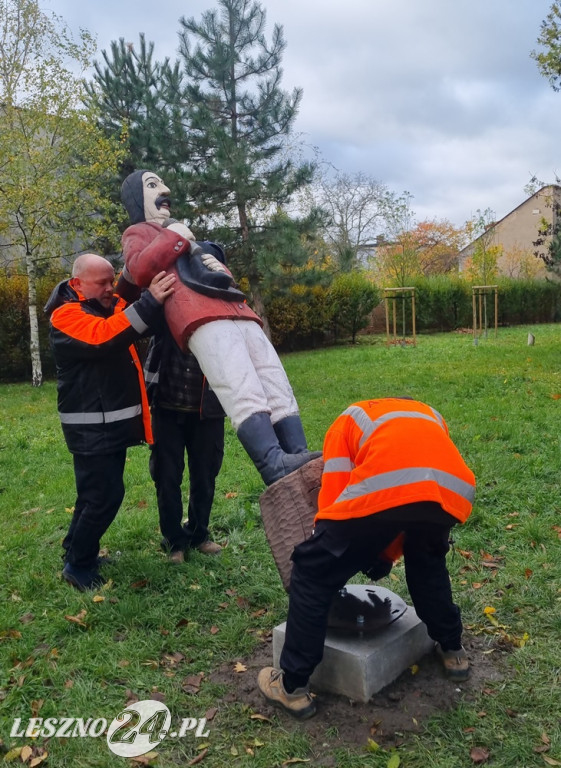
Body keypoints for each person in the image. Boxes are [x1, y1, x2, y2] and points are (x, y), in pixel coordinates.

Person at [257, 397, 476, 719]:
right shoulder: (428, 412)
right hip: (449, 492)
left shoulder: (345, 422)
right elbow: (410, 500)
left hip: (387, 489)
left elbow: (336, 494)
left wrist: (325, 548)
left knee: (312, 571)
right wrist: (384, 553)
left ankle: (292, 687)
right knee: (427, 565)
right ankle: (453, 649)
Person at [118, 169, 320, 487]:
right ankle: (272, 462)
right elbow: (138, 270)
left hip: (235, 308)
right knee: (238, 380)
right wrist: (175, 238)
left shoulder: (186, 234)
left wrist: (215, 263)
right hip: (198, 314)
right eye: (153, 185)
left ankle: (296, 450)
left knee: (272, 376)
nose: (166, 190)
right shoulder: (139, 233)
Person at [45, 253, 175, 590]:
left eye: (111, 279)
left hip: (108, 425)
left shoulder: (109, 305)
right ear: (76, 284)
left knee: (93, 494)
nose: (110, 287)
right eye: (101, 282)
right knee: (104, 496)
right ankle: (78, 565)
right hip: (90, 427)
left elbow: (134, 321)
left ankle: (76, 549)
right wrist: (148, 303)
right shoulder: (66, 316)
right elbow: (105, 336)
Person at [144, 320, 226, 563]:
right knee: (166, 476)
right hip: (166, 408)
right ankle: (174, 542)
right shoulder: (166, 297)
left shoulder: (218, 301)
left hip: (207, 409)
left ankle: (199, 535)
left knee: (205, 474)